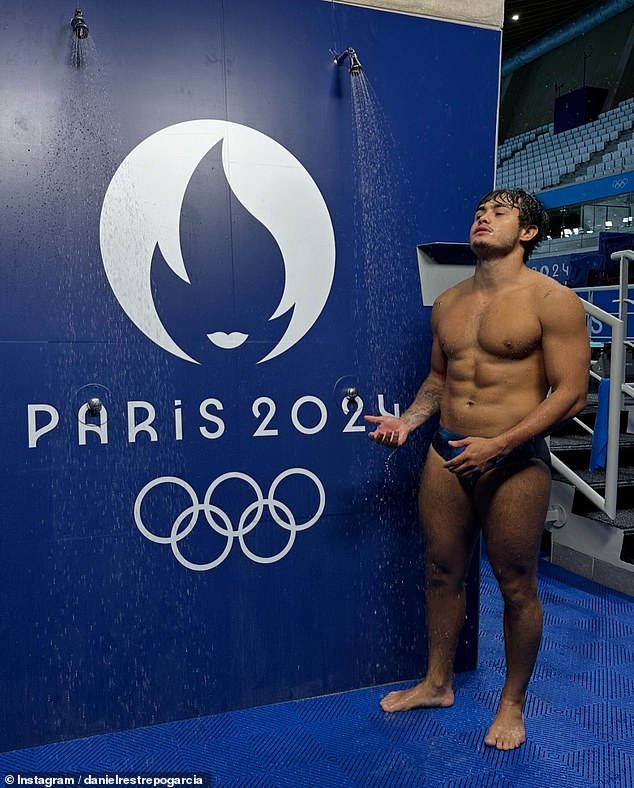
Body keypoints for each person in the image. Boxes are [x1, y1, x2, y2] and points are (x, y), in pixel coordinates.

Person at [365, 189, 590, 750]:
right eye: (478, 212)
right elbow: (439, 382)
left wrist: (499, 444)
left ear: (529, 232)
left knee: (516, 584)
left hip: (513, 460)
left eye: (500, 212)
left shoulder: (552, 300)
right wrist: (409, 421)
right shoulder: (449, 303)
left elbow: (572, 394)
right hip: (445, 451)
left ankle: (511, 706)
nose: (484, 218)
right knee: (442, 570)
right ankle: (437, 682)